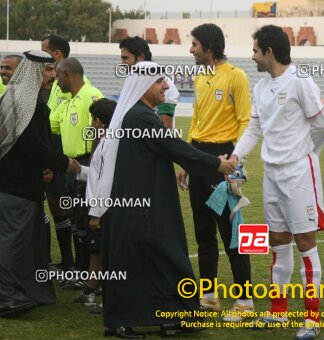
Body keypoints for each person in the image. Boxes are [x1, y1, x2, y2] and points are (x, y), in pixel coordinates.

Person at [89, 61, 234, 338]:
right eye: (160, 81)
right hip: (141, 204)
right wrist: (216, 164)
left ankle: (172, 317)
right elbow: (175, 147)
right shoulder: (141, 117)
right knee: (145, 258)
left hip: (147, 201)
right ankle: (122, 321)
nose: (167, 85)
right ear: (144, 86)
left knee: (158, 258)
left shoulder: (141, 114)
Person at [230, 25, 324, 339]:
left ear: (269, 52)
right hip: (271, 175)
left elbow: (321, 127)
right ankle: (278, 312)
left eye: (256, 50)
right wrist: (235, 158)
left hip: (299, 173)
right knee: (278, 243)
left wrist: (306, 157)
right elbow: (254, 130)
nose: (253, 56)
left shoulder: (301, 82)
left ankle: (312, 318)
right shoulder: (261, 87)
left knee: (305, 244)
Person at [176, 23, 253, 320]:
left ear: (208, 47)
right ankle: (209, 298)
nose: (191, 49)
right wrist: (186, 161)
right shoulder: (200, 77)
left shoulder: (236, 76)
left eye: (194, 44)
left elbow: (247, 121)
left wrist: (235, 159)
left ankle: (245, 301)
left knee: (232, 233)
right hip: (199, 158)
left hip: (224, 159)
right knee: (203, 232)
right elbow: (196, 122)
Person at [0, 50, 80, 317]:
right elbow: (31, 146)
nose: (52, 77)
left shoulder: (23, 99)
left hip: (23, 184)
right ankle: (7, 297)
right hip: (15, 186)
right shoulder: (25, 102)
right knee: (13, 242)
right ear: (35, 72)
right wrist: (61, 162)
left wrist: (45, 168)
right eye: (47, 71)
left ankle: (30, 291)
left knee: (28, 243)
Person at [50, 57, 103, 278]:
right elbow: (50, 125)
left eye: (56, 75)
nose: (55, 80)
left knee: (87, 219)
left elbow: (102, 128)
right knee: (75, 217)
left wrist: (93, 161)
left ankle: (89, 275)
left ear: (66, 74)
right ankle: (80, 271)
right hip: (70, 167)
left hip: (86, 164)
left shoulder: (91, 95)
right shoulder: (69, 101)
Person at [41, 34, 86, 275]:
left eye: (44, 50)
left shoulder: (75, 85)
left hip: (65, 156)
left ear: (56, 54)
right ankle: (68, 263)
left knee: (66, 209)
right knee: (56, 206)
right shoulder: (52, 82)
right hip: (52, 153)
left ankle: (76, 265)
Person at [73, 98, 116, 309]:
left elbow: (106, 180)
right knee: (96, 252)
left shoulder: (109, 144)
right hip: (99, 205)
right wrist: (80, 170)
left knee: (105, 253)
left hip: (103, 208)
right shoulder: (106, 142)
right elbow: (97, 177)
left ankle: (110, 299)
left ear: (98, 121)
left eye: (92, 119)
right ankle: (90, 291)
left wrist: (97, 213)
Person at [119, 36, 180, 129]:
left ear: (141, 58)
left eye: (125, 58)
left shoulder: (165, 84)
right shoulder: (132, 81)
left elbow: (166, 126)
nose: (122, 63)